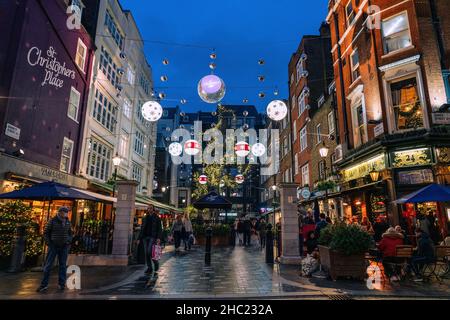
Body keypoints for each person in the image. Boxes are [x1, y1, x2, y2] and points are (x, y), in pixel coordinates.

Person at [37, 206, 73, 292]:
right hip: (54, 246)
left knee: (63, 265)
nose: (66, 213)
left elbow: (70, 233)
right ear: (60, 212)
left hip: (64, 246)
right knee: (48, 265)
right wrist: (49, 243)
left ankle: (61, 284)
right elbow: (45, 233)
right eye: (64, 212)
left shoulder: (68, 222)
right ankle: (44, 285)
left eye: (66, 212)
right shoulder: (52, 221)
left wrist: (68, 241)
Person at [138, 205, 163, 276]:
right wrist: (139, 238)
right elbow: (142, 229)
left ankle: (156, 263)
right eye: (148, 208)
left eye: (151, 208)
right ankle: (149, 268)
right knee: (146, 253)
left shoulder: (157, 218)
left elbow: (159, 229)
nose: (149, 209)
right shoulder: (145, 218)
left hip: (153, 237)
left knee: (149, 252)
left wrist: (158, 238)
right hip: (145, 237)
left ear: (153, 209)